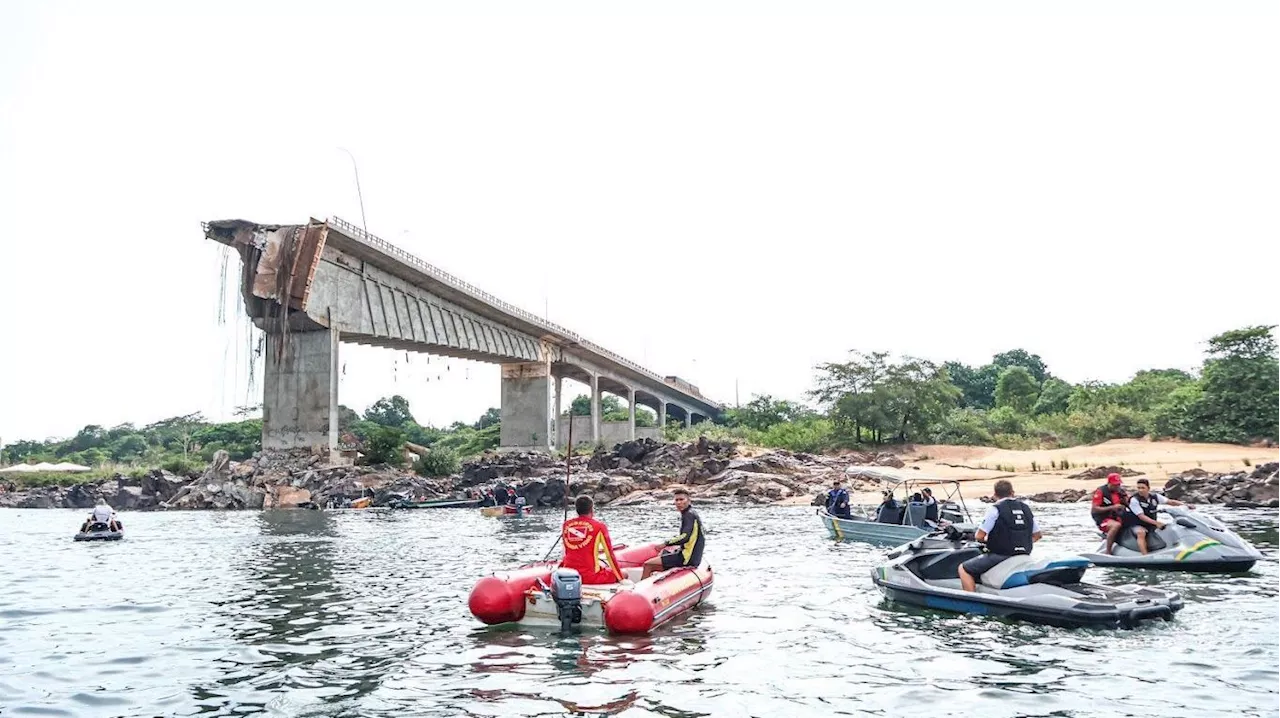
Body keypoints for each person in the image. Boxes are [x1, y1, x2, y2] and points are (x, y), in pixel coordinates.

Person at [958, 479, 1041, 592]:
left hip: (1001, 554)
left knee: (964, 569)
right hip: (1024, 553)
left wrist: (990, 541)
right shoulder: (1026, 508)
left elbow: (979, 536)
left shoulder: (995, 509)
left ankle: (971, 601)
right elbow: (1037, 535)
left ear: (995, 494)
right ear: (1012, 492)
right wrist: (1022, 543)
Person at [560, 495, 623, 585]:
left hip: (570, 575)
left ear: (576, 510)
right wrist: (621, 578)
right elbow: (609, 554)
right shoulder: (599, 526)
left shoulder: (566, 525)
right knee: (625, 574)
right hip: (590, 577)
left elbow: (567, 551)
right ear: (592, 510)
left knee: (601, 567)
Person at [642, 489, 705, 579]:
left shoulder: (688, 515)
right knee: (663, 554)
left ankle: (642, 589)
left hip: (687, 558)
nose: (679, 502)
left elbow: (685, 537)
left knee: (648, 564)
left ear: (688, 500)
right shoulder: (692, 513)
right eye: (676, 500)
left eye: (681, 499)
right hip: (693, 556)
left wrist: (665, 543)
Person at [1126, 478, 1191, 554]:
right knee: (1141, 533)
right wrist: (1156, 523)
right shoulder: (1134, 500)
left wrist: (1186, 505)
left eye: (1143, 488)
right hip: (1137, 524)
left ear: (1148, 488)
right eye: (1139, 488)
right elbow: (1141, 516)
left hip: (1151, 523)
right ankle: (1145, 556)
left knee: (1170, 527)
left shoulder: (1155, 497)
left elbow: (1170, 502)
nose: (1140, 490)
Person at [1090, 473, 1129, 555]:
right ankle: (1108, 551)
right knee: (1116, 525)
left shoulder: (1120, 492)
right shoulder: (1101, 492)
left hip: (1117, 516)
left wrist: (1126, 501)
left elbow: (1129, 503)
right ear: (1109, 483)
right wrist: (1112, 507)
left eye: (1118, 484)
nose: (1117, 487)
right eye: (1115, 485)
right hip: (1103, 518)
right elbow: (1095, 508)